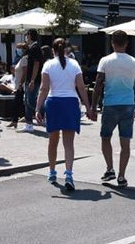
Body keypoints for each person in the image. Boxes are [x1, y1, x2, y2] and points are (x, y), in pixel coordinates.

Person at [35, 38, 95, 191]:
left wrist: (37, 108)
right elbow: (81, 88)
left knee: (53, 140)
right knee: (69, 143)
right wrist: (88, 106)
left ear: (53, 50)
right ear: (67, 49)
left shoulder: (48, 64)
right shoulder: (74, 64)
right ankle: (68, 174)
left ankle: (52, 171)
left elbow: (43, 88)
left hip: (54, 102)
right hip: (71, 102)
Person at [92, 30, 135, 188]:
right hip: (128, 104)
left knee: (105, 137)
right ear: (126, 43)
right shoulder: (134, 62)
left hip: (110, 104)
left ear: (112, 43)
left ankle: (110, 169)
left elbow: (98, 84)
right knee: (125, 143)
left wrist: (93, 106)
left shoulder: (105, 61)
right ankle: (121, 176)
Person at [23, 29, 44, 133]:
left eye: (27, 35)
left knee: (29, 101)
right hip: (32, 79)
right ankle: (33, 120)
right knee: (29, 100)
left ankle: (29, 123)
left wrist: (32, 80)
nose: (26, 37)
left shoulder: (35, 48)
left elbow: (36, 65)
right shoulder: (32, 48)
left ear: (30, 36)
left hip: (33, 80)